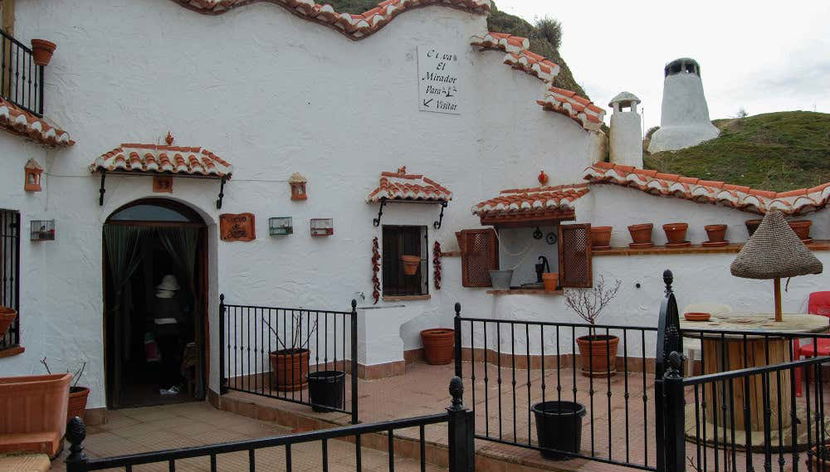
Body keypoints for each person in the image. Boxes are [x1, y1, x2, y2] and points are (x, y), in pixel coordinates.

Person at [154, 274, 183, 395]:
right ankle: (171, 384)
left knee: (164, 359)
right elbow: (180, 317)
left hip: (159, 334)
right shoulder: (172, 302)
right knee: (171, 359)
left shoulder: (157, 300)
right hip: (171, 334)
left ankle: (163, 385)